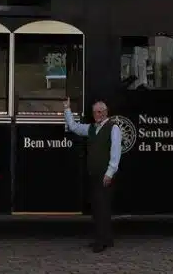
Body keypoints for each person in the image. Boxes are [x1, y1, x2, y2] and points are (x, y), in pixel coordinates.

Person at [63, 98, 121, 252]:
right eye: (95, 112)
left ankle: (101, 241)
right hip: (94, 174)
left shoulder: (113, 128)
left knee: (102, 208)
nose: (98, 114)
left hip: (105, 174)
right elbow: (74, 127)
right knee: (97, 208)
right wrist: (67, 109)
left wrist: (110, 172)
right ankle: (107, 238)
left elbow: (116, 153)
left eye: (100, 112)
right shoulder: (91, 128)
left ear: (106, 112)